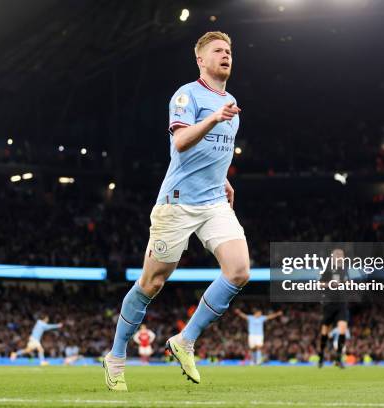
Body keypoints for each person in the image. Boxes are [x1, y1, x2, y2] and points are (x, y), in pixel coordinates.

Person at [103, 31, 248, 392]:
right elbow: (180, 142)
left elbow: (218, 153)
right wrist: (214, 118)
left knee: (240, 270)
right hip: (178, 203)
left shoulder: (231, 101)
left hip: (213, 201)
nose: (226, 55)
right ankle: (117, 356)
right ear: (201, 60)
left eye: (229, 51)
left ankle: (185, 340)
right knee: (152, 283)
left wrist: (224, 179)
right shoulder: (187, 95)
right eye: (218, 51)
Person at [318, 249, 350, 368]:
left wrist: (347, 284)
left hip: (341, 303)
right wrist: (331, 284)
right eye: (337, 255)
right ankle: (321, 355)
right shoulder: (327, 268)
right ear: (333, 257)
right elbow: (320, 284)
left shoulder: (345, 269)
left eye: (341, 255)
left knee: (343, 329)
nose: (340, 257)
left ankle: (338, 358)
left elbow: (347, 282)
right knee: (325, 331)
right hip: (329, 303)